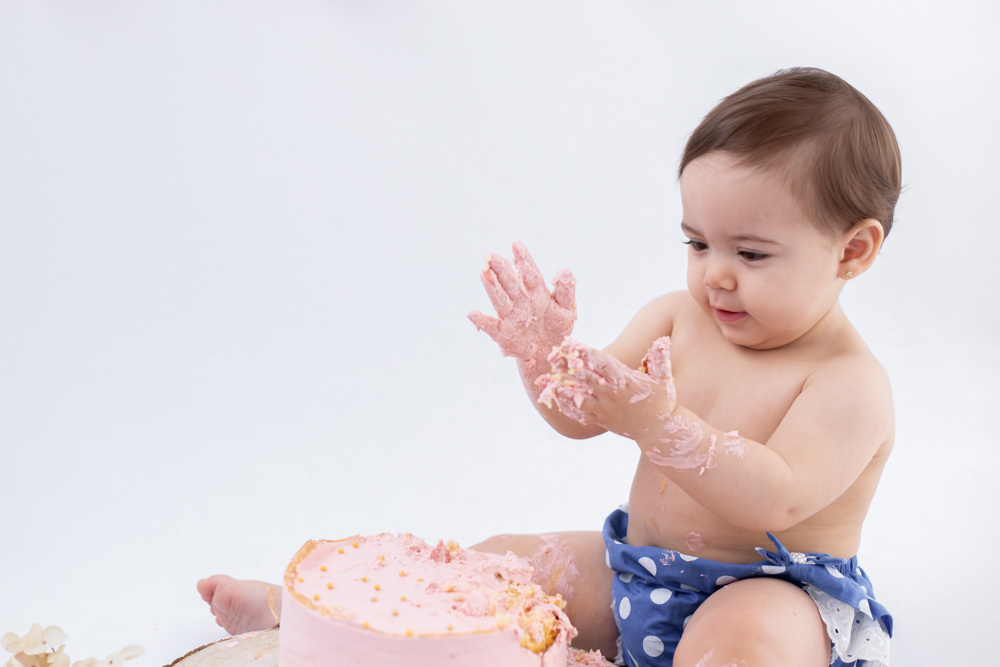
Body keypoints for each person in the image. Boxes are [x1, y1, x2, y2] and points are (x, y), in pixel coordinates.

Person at [199, 67, 900, 667]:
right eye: (697, 243)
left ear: (852, 251)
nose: (715, 275)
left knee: (743, 641)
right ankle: (313, 615)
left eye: (750, 254)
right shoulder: (674, 318)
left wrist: (663, 427)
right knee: (499, 565)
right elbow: (579, 417)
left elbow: (772, 500)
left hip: (773, 595)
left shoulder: (849, 382)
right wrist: (543, 361)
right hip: (637, 571)